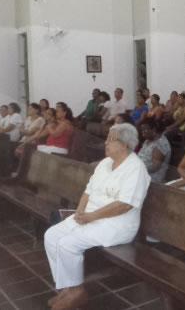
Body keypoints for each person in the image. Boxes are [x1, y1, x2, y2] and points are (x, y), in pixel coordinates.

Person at [44, 124, 150, 310]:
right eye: (107, 138)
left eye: (111, 139)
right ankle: (67, 288)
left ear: (124, 144)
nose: (106, 142)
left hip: (117, 224)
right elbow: (88, 191)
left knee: (68, 244)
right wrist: (79, 211)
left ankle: (77, 291)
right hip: (90, 217)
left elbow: (124, 205)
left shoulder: (136, 168)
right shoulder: (105, 163)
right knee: (51, 236)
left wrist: (92, 216)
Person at [137, 118, 171, 183]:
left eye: (145, 129)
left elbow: (154, 167)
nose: (143, 132)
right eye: (142, 129)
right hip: (140, 172)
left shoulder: (161, 144)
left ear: (154, 129)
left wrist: (136, 167)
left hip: (151, 178)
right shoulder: (148, 140)